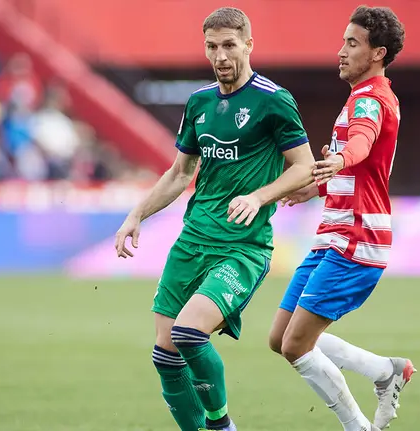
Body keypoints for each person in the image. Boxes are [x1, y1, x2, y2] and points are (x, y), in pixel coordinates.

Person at [114, 7, 315, 431]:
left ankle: (221, 424)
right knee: (164, 356)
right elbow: (180, 173)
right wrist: (136, 215)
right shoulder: (200, 102)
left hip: (241, 248)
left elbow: (303, 167)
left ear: (248, 45)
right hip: (193, 241)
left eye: (228, 45)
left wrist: (259, 196)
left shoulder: (273, 101)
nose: (220, 55)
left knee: (189, 335)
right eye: (211, 46)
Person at [267, 6, 412, 431]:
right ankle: (386, 372)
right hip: (333, 233)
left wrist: (338, 161)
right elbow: (357, 170)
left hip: (357, 238)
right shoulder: (359, 99)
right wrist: (314, 187)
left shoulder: (371, 100)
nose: (341, 52)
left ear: (378, 53)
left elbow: (361, 147)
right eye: (343, 41)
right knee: (281, 338)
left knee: (297, 344)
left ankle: (358, 427)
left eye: (353, 44)